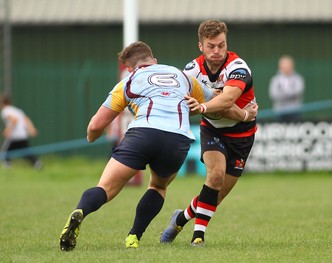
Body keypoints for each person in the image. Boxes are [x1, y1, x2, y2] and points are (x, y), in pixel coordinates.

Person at [59, 41, 257, 251]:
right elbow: (222, 105)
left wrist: (92, 136)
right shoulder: (183, 77)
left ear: (129, 67)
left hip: (142, 134)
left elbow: (96, 125)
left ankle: (81, 210)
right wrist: (245, 114)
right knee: (158, 187)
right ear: (154, 60)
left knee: (106, 188)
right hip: (176, 139)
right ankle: (134, 236)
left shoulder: (129, 81)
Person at [160, 19, 257, 246]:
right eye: (211, 46)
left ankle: (180, 218)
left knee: (216, 195)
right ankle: (198, 238)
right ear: (200, 46)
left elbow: (228, 99)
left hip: (243, 134)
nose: (217, 51)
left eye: (221, 45)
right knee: (215, 176)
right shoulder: (191, 71)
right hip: (212, 130)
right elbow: (180, 101)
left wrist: (203, 106)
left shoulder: (238, 68)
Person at [0, 95, 41, 169]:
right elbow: (26, 119)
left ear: (2, 103)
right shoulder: (17, 110)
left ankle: (7, 168)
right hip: (23, 134)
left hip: (14, 136)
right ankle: (37, 164)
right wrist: (31, 129)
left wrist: (7, 130)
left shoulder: (5, 111)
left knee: (5, 153)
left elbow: (14, 120)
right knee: (26, 152)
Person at [269, 55, 304, 122]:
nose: (286, 67)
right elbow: (273, 94)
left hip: (294, 112)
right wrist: (289, 94)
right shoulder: (275, 80)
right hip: (279, 112)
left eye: (288, 65)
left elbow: (298, 92)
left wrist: (283, 94)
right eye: (284, 65)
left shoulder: (298, 79)